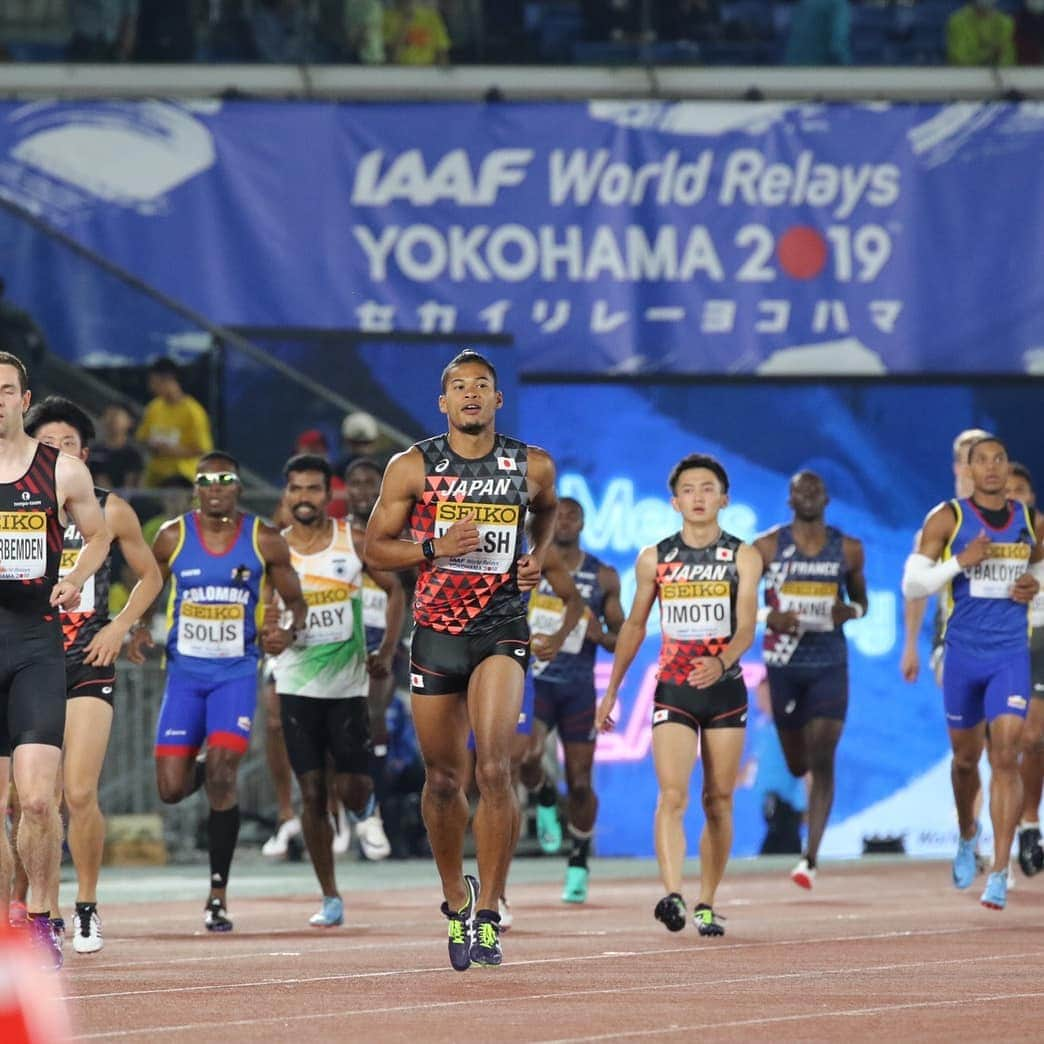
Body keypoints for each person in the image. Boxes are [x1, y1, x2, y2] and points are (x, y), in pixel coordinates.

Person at [365, 349, 558, 970]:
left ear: (498, 401)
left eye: (482, 385)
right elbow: (375, 549)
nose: (471, 394)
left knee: (495, 768)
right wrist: (433, 546)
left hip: (500, 630)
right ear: (443, 402)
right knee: (443, 780)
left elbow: (547, 510)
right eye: (458, 386)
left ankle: (493, 910)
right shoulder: (412, 466)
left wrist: (536, 557)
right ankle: (456, 897)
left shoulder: (531, 465)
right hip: (436, 634)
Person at [127, 451, 305, 931]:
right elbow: (146, 585)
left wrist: (286, 633)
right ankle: (204, 764)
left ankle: (217, 896)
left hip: (236, 674)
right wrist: (139, 627)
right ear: (196, 489)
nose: (215, 488)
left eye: (225, 479)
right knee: (171, 789)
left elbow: (296, 603)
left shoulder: (263, 538)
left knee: (226, 773)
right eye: (206, 481)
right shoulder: (172, 536)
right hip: (185, 676)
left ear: (238, 486)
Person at [596, 453, 761, 937]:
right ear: (674, 501)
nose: (698, 497)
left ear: (724, 499)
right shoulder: (656, 557)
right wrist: (611, 693)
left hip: (725, 689)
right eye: (688, 489)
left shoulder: (743, 556)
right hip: (673, 687)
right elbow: (633, 625)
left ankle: (707, 900)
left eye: (708, 489)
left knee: (719, 799)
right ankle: (672, 894)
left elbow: (747, 625)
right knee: (672, 795)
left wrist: (723, 661)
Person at [22, 397, 162, 955]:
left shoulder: (109, 509)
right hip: (30, 658)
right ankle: (42, 911)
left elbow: (149, 577)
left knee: (79, 791)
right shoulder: (17, 505)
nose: (58, 452)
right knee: (37, 799)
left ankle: (85, 906)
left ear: (86, 453)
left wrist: (120, 627)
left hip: (86, 661)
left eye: (69, 444)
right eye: (49, 444)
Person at [0, 352, 111, 969]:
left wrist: (74, 577)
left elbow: (98, 534)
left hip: (36, 644)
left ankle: (42, 917)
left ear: (23, 398)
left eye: (6, 390)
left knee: (39, 800)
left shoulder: (60, 471)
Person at [902, 436, 1043, 910]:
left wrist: (1032, 584)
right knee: (966, 761)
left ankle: (1000, 872)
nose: (991, 467)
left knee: (1006, 756)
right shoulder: (949, 517)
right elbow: (912, 582)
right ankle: (968, 834)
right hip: (963, 654)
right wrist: (959, 563)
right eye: (981, 460)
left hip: (1009, 655)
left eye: (999, 459)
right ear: (968, 468)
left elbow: (1041, 575)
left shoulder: (1030, 522)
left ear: (1007, 469)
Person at [265, 453, 402, 927]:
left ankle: (365, 805)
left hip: (347, 686)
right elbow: (261, 609)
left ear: (329, 494)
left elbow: (396, 591)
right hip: (296, 682)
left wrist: (386, 649)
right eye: (296, 489)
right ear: (286, 494)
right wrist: (269, 635)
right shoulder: (271, 547)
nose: (305, 498)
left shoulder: (353, 540)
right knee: (311, 790)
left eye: (314, 489)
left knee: (350, 787)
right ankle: (330, 895)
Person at [753, 470, 867, 890]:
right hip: (784, 662)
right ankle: (808, 848)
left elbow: (863, 601)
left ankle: (810, 858)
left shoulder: (848, 549)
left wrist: (849, 612)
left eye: (816, 489)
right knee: (798, 761)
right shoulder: (767, 546)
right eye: (801, 489)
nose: (809, 495)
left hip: (829, 662)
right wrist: (770, 616)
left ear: (827, 497)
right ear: (789, 499)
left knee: (822, 756)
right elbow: (741, 600)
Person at [519, 496, 624, 905]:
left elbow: (621, 637)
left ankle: (579, 858)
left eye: (572, 515)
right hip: (536, 681)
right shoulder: (531, 565)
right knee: (527, 756)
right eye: (557, 514)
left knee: (581, 784)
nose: (563, 521)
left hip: (578, 688)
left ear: (582, 522)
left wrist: (601, 636)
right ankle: (545, 795)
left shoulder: (604, 577)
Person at [346, 456, 406, 860]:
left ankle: (375, 810)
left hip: (386, 640)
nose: (365, 490)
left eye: (373, 483)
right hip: (337, 642)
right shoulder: (335, 533)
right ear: (346, 489)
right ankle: (341, 812)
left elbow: (410, 586)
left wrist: (393, 642)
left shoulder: (399, 526)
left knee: (373, 718)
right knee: (334, 727)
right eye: (357, 483)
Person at [1004, 461, 1044, 876]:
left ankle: (1029, 819)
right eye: (1008, 490)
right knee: (1014, 738)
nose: (1015, 496)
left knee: (1034, 739)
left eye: (1023, 491)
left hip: (1040, 640)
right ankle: (1014, 824)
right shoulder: (988, 537)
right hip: (1002, 643)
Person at [136, 358, 214, 487]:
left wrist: (172, 450)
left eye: (155, 382)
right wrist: (151, 445)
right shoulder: (154, 407)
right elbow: (142, 438)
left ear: (169, 380)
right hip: (155, 477)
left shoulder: (193, 411)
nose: (151, 387)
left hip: (182, 477)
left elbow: (202, 450)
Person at [87, 404, 143, 491]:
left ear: (130, 422)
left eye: (116, 415)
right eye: (108, 415)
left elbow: (131, 485)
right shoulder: (93, 451)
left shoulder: (133, 453)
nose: (111, 420)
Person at [946, 0, 1015, 66]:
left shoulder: (1005, 23)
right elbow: (958, 59)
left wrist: (999, 58)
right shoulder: (957, 21)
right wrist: (987, 56)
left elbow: (1009, 60)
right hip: (965, 75)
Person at [784, 0, 851, 66]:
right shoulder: (838, 3)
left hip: (791, 64)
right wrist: (849, 66)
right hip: (817, 66)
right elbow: (838, 44)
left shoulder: (805, 2)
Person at [383, 0, 451, 64]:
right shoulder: (387, 17)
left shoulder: (432, 17)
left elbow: (442, 52)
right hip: (399, 71)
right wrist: (405, 24)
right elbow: (391, 56)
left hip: (428, 71)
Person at [335, 411, 381, 476]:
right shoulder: (337, 471)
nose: (361, 449)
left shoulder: (385, 472)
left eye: (366, 443)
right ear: (346, 442)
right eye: (356, 443)